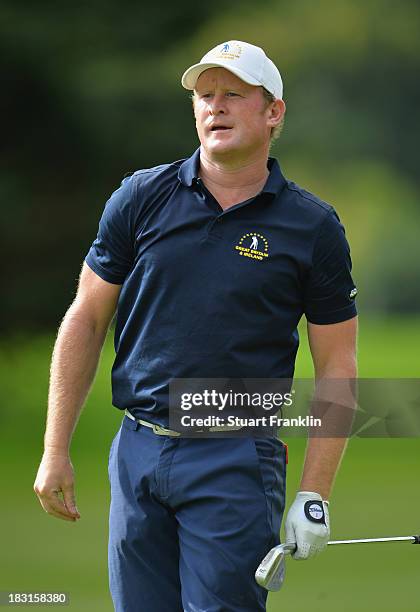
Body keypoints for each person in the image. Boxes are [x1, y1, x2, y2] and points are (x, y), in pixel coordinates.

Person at [34, 40, 358, 611]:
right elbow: (85, 318)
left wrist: (314, 493)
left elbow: (337, 363)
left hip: (236, 457)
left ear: (273, 111)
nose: (216, 107)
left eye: (234, 94)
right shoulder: (141, 197)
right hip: (137, 450)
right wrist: (55, 447)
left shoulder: (312, 226)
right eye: (205, 96)